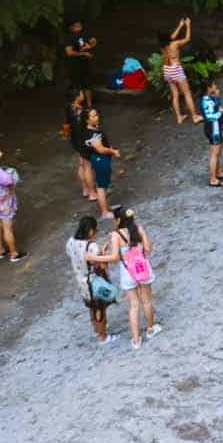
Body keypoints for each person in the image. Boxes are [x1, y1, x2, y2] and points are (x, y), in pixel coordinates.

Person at [69, 213, 115, 345]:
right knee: (100, 309)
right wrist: (103, 252)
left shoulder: (71, 242)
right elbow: (102, 264)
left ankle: (96, 330)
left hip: (81, 281)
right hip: (94, 282)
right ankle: (103, 336)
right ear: (90, 231)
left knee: (91, 307)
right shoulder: (91, 246)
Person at [114, 209, 157, 348]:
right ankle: (150, 330)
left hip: (127, 273)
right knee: (147, 301)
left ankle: (136, 340)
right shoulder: (138, 229)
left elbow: (115, 257)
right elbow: (148, 250)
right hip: (143, 269)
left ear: (118, 220)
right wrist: (143, 234)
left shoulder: (116, 235)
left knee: (133, 305)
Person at [158, 17, 198, 125]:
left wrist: (180, 26)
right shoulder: (174, 44)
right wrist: (188, 25)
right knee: (187, 93)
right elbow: (187, 38)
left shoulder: (162, 46)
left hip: (167, 70)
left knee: (175, 94)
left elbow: (171, 37)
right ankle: (194, 116)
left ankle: (179, 117)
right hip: (176, 69)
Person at [63, 89, 97, 202]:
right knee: (87, 166)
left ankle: (85, 189)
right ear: (77, 97)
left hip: (75, 141)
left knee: (81, 164)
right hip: (83, 140)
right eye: (81, 93)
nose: (83, 95)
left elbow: (66, 125)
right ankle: (92, 193)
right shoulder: (81, 112)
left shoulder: (69, 107)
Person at [84, 109, 119, 212]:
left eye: (96, 115)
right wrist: (113, 151)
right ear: (87, 120)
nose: (97, 117)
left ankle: (106, 206)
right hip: (99, 159)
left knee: (103, 184)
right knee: (101, 186)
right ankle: (104, 212)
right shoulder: (92, 134)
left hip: (101, 159)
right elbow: (100, 149)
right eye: (93, 116)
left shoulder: (94, 129)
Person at [199, 81, 223, 186]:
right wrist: (220, 111)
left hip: (216, 128)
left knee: (217, 152)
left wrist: (217, 98)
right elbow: (209, 117)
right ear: (208, 88)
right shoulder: (206, 101)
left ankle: (219, 172)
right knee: (214, 153)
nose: (216, 86)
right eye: (214, 85)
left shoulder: (211, 98)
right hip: (213, 129)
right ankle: (213, 179)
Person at [63, 16, 96, 91]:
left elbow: (92, 41)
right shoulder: (69, 38)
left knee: (85, 83)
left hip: (83, 64)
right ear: (71, 27)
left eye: (80, 25)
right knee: (76, 84)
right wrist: (83, 53)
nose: (80, 27)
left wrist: (90, 45)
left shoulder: (80, 36)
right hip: (73, 65)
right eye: (77, 26)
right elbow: (69, 52)